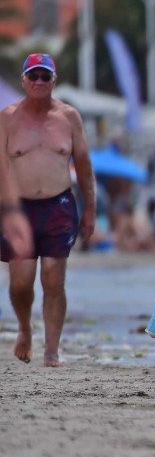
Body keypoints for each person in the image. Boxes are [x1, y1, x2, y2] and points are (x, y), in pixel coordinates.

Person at [0, 54, 94, 366]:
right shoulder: (8, 118)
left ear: (54, 79)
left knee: (54, 278)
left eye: (45, 76)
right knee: (21, 281)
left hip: (59, 204)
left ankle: (52, 349)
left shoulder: (69, 117)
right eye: (33, 76)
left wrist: (91, 210)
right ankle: (25, 329)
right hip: (20, 207)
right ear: (24, 80)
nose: (39, 82)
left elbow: (83, 166)